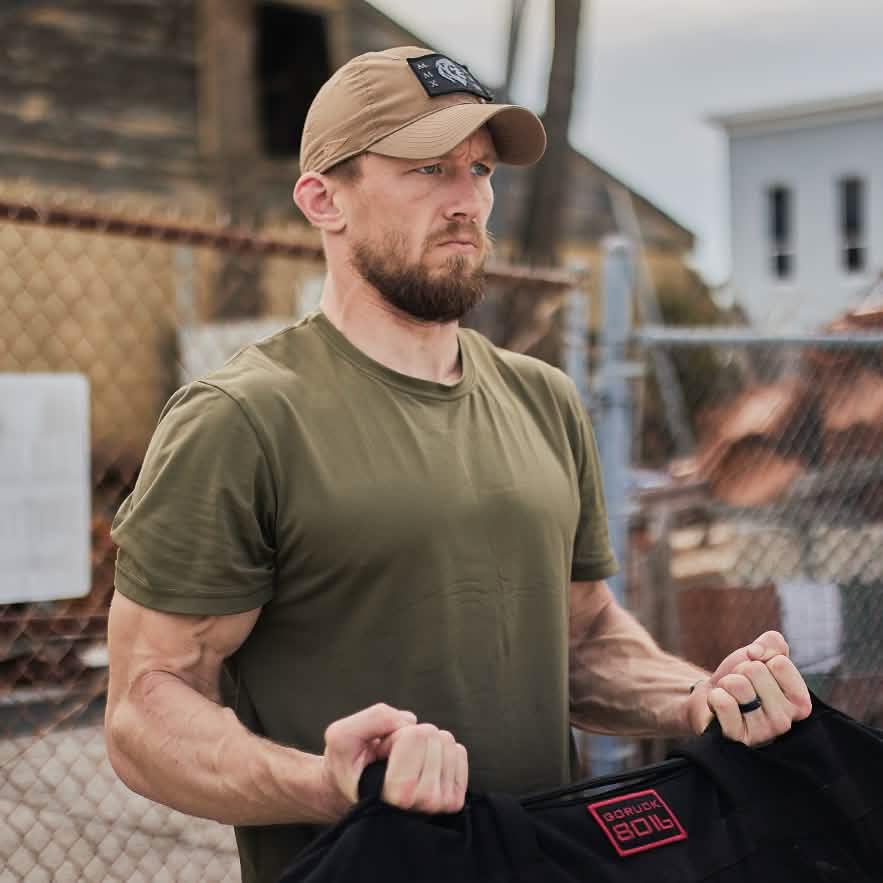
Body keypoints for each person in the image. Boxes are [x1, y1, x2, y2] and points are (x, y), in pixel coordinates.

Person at [105, 46, 812, 883]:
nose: (467, 200)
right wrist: (328, 781)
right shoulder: (242, 418)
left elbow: (584, 634)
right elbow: (143, 710)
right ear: (322, 198)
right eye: (429, 168)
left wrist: (696, 697)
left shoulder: (542, 398)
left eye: (479, 170)